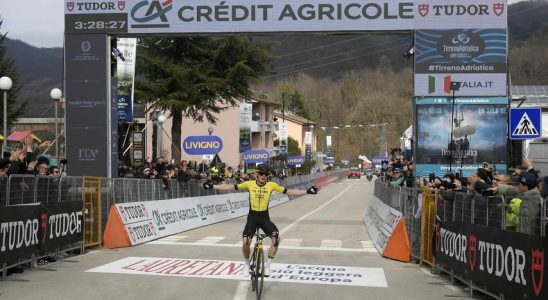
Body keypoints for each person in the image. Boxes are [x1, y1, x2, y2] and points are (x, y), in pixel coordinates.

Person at [202, 164, 318, 276]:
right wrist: (213, 186)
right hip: (252, 217)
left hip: (264, 218)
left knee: (276, 238)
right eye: (261, 174)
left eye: (265, 174)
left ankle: (268, 265)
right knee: (246, 242)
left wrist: (306, 191)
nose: (263, 176)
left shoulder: (271, 185)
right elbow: (230, 187)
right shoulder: (249, 184)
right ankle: (247, 263)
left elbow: (288, 191)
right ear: (257, 174)